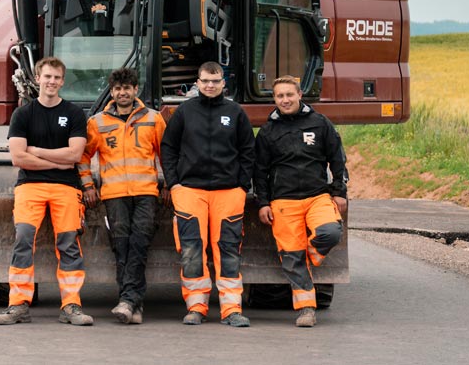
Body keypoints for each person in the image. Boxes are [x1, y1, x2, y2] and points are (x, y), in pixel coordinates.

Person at [0, 56, 93, 326]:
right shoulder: (23, 114)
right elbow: (18, 158)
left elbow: (75, 154)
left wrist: (36, 152)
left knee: (69, 243)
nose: (52, 82)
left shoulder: (73, 114)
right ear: (37, 78)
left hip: (66, 188)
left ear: (62, 81)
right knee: (23, 240)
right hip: (30, 187)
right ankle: (18, 305)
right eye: (47, 76)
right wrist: (56, 162)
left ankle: (71, 305)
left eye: (57, 77)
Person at [160, 61, 255, 328]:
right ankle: (196, 306)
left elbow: (249, 151)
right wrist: (174, 183)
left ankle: (231, 308)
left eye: (215, 81)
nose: (210, 85)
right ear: (197, 83)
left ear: (223, 83)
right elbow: (168, 148)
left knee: (228, 249)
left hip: (228, 192)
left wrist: (241, 185)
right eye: (205, 81)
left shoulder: (235, 112)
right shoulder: (185, 111)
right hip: (190, 190)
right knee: (191, 248)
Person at [254, 75, 348, 328]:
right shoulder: (268, 131)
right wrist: (263, 202)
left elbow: (337, 158)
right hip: (283, 203)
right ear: (274, 99)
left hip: (317, 196)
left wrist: (339, 191)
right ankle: (306, 309)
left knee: (330, 233)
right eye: (279, 96)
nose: (285, 100)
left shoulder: (319, 123)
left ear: (299, 95)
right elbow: (259, 171)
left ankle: (306, 257)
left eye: (289, 95)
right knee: (291, 256)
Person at [79, 67, 167, 324]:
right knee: (122, 246)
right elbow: (83, 156)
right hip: (114, 195)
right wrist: (88, 186)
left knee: (139, 243)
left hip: (145, 193)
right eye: (118, 89)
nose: (122, 93)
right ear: (112, 91)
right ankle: (132, 304)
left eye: (127, 88)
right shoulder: (98, 122)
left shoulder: (153, 119)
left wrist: (168, 185)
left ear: (135, 90)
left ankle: (128, 301)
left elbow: (167, 154)